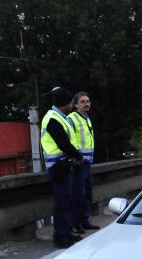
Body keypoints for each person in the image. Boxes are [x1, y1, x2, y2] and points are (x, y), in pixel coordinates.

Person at [41, 86, 84, 248]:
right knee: (62, 203)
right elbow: (63, 143)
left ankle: (66, 233)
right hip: (58, 166)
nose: (72, 106)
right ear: (64, 104)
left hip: (64, 165)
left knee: (67, 201)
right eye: (71, 103)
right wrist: (78, 156)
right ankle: (60, 237)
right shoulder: (53, 118)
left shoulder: (59, 117)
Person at [67, 92, 100, 234]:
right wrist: (76, 158)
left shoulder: (86, 118)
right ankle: (76, 223)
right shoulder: (72, 119)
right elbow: (68, 140)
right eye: (82, 101)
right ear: (75, 105)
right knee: (78, 194)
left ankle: (84, 220)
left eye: (88, 101)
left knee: (87, 193)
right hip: (78, 163)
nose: (86, 104)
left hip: (87, 163)